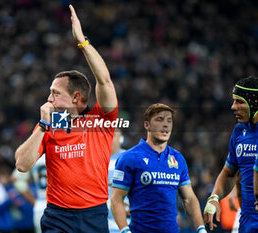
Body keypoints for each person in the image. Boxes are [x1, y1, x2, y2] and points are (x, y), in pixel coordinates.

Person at [15, 4, 118, 233]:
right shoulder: (50, 124)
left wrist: (82, 42)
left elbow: (105, 82)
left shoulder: (100, 120)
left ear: (76, 98)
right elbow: (22, 165)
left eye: (55, 93)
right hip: (56, 216)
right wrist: (42, 127)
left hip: (93, 214)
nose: (49, 98)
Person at [111, 103, 207, 233]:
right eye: (159, 120)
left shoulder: (178, 158)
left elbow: (189, 198)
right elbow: (116, 199)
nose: (166, 125)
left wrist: (201, 229)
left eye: (169, 121)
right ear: (147, 125)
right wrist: (124, 230)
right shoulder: (129, 158)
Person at [203, 76, 258, 233]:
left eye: (239, 102)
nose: (233, 107)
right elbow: (229, 174)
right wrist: (214, 198)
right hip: (247, 224)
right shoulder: (239, 131)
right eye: (234, 101)